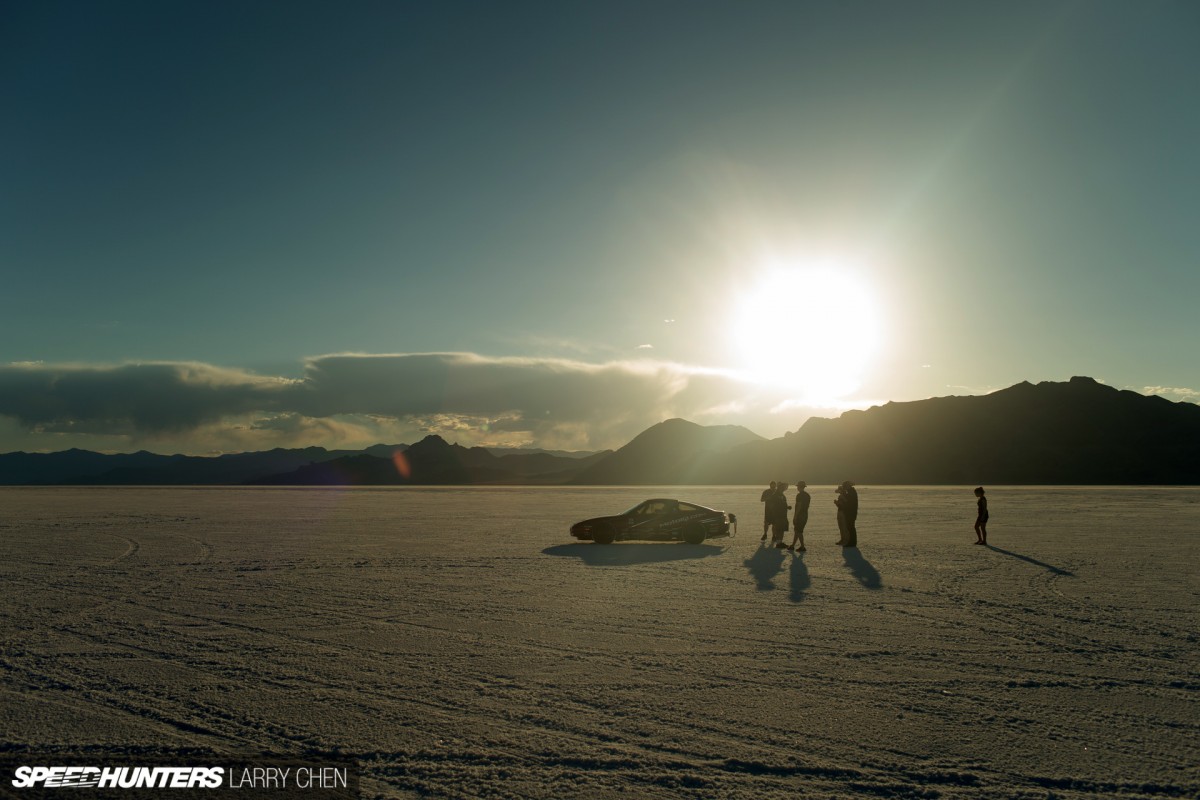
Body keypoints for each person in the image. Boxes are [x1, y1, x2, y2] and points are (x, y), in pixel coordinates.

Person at [788, 481, 810, 552]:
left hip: (800, 515)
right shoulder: (807, 495)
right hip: (805, 514)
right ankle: (793, 545)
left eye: (798, 486)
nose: (797, 488)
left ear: (800, 487)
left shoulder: (799, 495)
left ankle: (802, 546)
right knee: (797, 530)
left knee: (799, 531)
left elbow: (799, 506)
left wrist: (795, 516)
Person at [836, 480, 858, 547]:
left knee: (850, 528)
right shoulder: (851, 492)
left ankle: (852, 542)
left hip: (851, 513)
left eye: (845, 486)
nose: (844, 488)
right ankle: (851, 542)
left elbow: (849, 503)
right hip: (850, 512)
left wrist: (843, 498)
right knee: (850, 527)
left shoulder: (851, 492)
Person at [769, 482, 791, 547]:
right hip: (778, 515)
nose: (785, 488)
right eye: (783, 487)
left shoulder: (781, 495)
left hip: (782, 515)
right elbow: (772, 505)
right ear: (780, 487)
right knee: (779, 529)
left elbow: (781, 504)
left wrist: (787, 507)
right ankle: (779, 543)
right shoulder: (776, 495)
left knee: (781, 529)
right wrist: (774, 514)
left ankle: (779, 542)